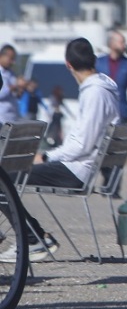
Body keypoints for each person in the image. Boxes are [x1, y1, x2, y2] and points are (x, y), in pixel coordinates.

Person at [0, 38, 119, 263]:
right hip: (81, 166)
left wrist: (45, 156)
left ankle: (33, 239)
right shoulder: (104, 88)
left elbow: (82, 145)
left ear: (68, 65)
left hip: (75, 171)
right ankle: (34, 236)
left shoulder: (95, 93)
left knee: (2, 179)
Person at [96, 31, 127, 123]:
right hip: (101, 112)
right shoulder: (99, 62)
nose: (124, 45)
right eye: (122, 42)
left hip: (121, 113)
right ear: (112, 43)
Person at [0, 44, 27, 125]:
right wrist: (12, 87)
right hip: (2, 118)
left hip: (13, 117)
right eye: (11, 59)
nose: (13, 62)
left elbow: (16, 96)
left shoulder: (11, 73)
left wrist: (21, 89)